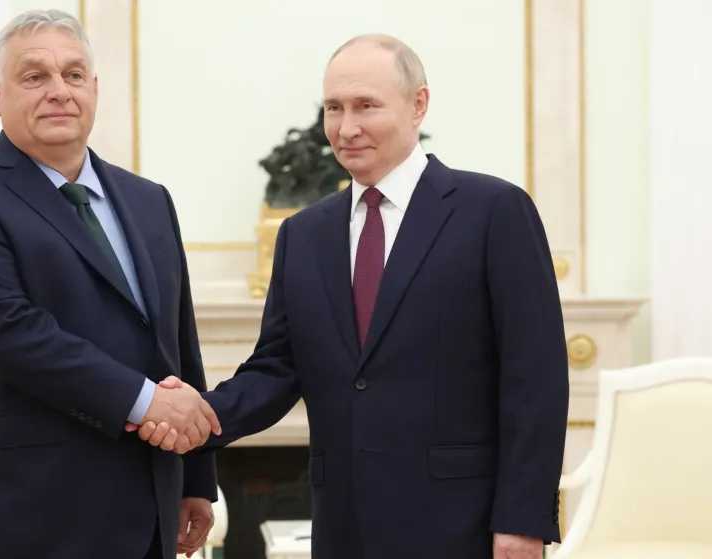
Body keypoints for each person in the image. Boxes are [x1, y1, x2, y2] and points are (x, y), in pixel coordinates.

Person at [130, 34, 569, 559]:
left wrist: (522, 523)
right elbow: (276, 368)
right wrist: (196, 416)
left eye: (366, 106)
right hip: (344, 528)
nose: (347, 127)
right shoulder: (302, 234)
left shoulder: (494, 212)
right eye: (334, 108)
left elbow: (535, 381)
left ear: (418, 104)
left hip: (463, 528)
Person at [0, 9, 221, 559]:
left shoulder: (150, 201)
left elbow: (177, 342)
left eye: (74, 75)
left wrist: (195, 477)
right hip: (18, 518)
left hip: (144, 512)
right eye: (34, 77)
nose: (59, 91)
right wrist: (146, 402)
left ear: (94, 89)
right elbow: (15, 336)